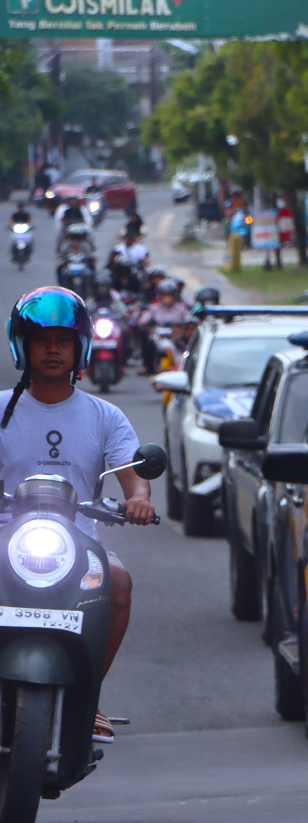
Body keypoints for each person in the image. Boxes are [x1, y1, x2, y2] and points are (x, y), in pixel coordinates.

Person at [0, 287, 157, 742]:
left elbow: (132, 472)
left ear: (80, 347)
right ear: (22, 345)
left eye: (63, 340)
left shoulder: (103, 415)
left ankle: (88, 697)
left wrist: (139, 499)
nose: (53, 349)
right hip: (7, 539)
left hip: (77, 545)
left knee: (120, 582)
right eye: (42, 339)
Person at [139, 279, 190, 374]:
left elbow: (189, 320)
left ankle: (180, 366)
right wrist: (148, 322)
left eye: (169, 296)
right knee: (147, 340)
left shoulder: (181, 308)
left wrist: (180, 327)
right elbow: (142, 321)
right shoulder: (154, 308)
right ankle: (147, 365)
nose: (167, 298)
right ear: (160, 295)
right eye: (165, 295)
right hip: (158, 337)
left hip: (175, 337)